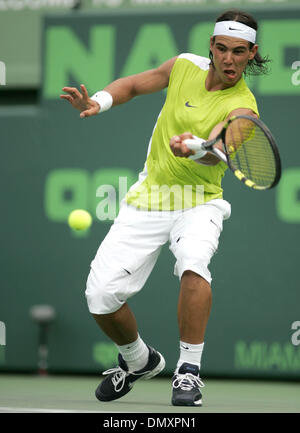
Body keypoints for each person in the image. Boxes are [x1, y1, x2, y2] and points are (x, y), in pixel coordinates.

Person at [60, 9, 269, 407]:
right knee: (101, 297)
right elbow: (137, 84)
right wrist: (99, 101)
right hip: (149, 196)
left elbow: (218, 152)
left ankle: (188, 371)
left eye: (239, 52)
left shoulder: (244, 108)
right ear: (211, 46)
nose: (229, 59)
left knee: (193, 261)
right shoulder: (183, 66)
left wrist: (199, 148)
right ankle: (138, 361)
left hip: (199, 203)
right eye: (222, 49)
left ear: (252, 53)